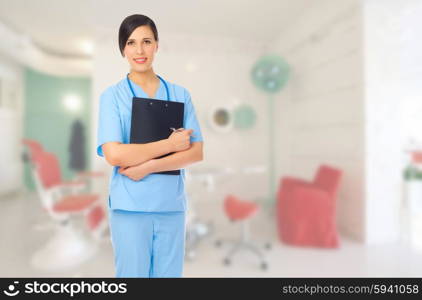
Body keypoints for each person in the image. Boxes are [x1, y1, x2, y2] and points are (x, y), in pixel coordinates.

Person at [96, 14, 204, 277]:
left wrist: (148, 166)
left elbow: (196, 152)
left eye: (146, 41)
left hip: (171, 207)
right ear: (123, 49)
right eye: (131, 43)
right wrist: (169, 144)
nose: (140, 50)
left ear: (157, 44)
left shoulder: (180, 95)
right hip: (130, 209)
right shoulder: (112, 96)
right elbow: (114, 153)